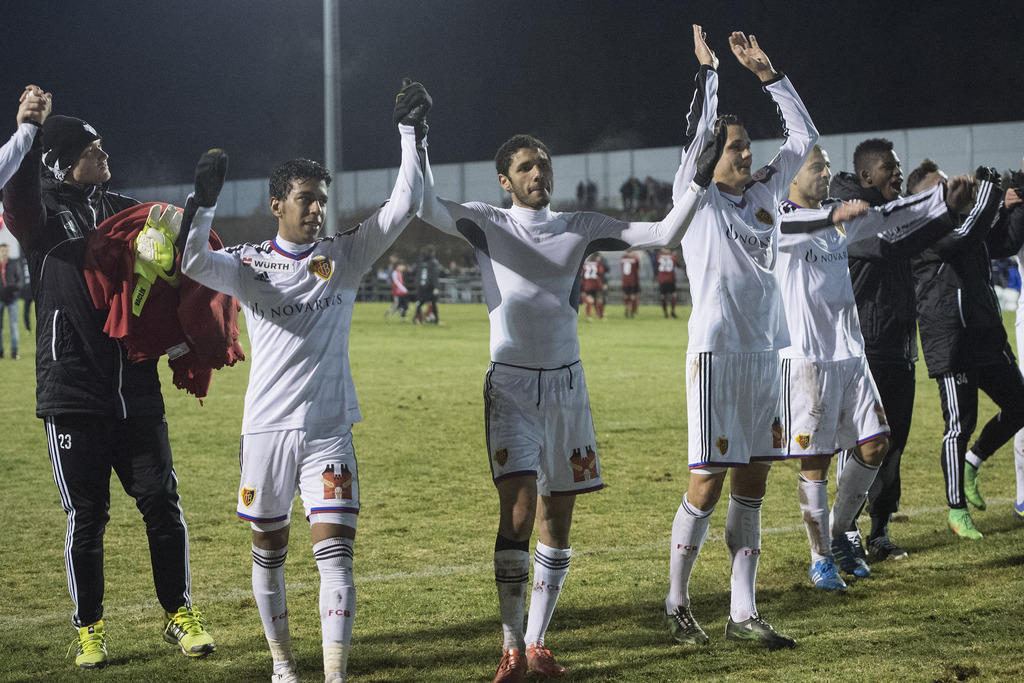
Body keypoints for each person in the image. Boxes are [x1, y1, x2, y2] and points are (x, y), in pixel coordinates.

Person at [417, 48, 721, 681]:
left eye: (543, 164)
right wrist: (414, 139)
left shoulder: (579, 225)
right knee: (519, 513)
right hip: (511, 387)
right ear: (505, 179)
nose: (538, 172)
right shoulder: (485, 223)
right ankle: (507, 647)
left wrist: (698, 179)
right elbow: (421, 204)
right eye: (527, 166)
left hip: (568, 386)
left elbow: (662, 233)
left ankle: (536, 644)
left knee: (559, 515)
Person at [180, 80, 429, 683]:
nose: (317, 208)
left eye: (321, 199)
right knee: (269, 552)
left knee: (335, 556)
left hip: (327, 432)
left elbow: (406, 202)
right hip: (266, 432)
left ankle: (335, 676)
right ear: (277, 206)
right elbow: (190, 261)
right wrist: (203, 201)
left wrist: (409, 134)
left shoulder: (344, 255)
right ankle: (284, 666)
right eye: (306, 200)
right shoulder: (248, 265)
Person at [2, 92, 215, 668]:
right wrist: (27, 132)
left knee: (162, 505)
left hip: (135, 384)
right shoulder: (39, 219)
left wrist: (202, 204)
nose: (103, 154)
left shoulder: (120, 206)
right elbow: (15, 197)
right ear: (61, 162)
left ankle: (179, 613)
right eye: (91, 150)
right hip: (72, 390)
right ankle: (90, 628)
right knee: (87, 517)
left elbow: (174, 231)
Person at [666, 26, 818, 651]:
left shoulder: (764, 195)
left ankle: (743, 611)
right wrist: (711, 78)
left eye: (748, 146)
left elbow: (805, 141)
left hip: (765, 354)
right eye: (735, 148)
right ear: (710, 155)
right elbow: (700, 137)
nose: (747, 155)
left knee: (753, 480)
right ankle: (676, 603)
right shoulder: (695, 198)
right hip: (716, 354)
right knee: (708, 480)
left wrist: (771, 77)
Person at [777, 146, 966, 586]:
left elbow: (890, 216)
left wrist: (940, 201)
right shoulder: (781, 218)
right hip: (810, 358)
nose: (825, 172)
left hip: (852, 351)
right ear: (792, 176)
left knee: (876, 445)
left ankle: (841, 529)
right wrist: (837, 216)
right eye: (816, 166)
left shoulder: (835, 216)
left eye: (826, 165)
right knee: (816, 463)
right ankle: (820, 556)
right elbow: (801, 225)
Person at [906, 161, 1024, 538]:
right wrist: (989, 193)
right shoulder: (921, 228)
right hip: (951, 338)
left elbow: (1007, 242)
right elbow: (962, 240)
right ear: (922, 198)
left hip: (986, 335)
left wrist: (1017, 201)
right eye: (940, 185)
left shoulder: (964, 223)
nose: (950, 187)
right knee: (959, 424)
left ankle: (973, 461)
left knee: (1021, 404)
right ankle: (956, 510)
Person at [828, 138, 917, 557]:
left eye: (898, 166)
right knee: (860, 443)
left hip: (900, 347)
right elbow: (887, 244)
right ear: (866, 176)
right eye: (889, 167)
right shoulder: (856, 218)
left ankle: (879, 530)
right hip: (866, 347)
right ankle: (845, 532)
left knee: (894, 443)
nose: (897, 173)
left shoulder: (890, 214)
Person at [0, 242, 22, 357]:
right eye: (2, 250)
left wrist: (11, 287)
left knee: (13, 326)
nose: (4, 252)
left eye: (6, 250)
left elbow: (20, 282)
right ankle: (0, 352)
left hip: (12, 299)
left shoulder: (14, 264)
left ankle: (14, 352)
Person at [413, 243, 441, 324]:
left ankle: (417, 319)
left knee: (420, 303)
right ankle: (436, 320)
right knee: (433, 303)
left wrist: (418, 284)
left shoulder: (419, 261)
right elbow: (434, 275)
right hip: (430, 287)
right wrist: (436, 287)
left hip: (421, 286)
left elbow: (417, 274)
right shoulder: (433, 262)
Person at [655, 247, 681, 318]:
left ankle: (666, 313)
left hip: (662, 280)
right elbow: (678, 265)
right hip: (670, 279)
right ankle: (672, 311)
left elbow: (655, 265)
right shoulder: (672, 257)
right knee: (673, 295)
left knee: (663, 296)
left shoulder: (658, 256)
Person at [580, 251, 606, 321]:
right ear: (596, 257)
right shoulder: (598, 264)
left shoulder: (585, 264)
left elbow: (582, 275)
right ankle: (601, 316)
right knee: (599, 300)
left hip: (588, 285)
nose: (600, 258)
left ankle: (589, 316)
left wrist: (582, 286)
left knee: (590, 301)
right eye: (599, 257)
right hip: (597, 284)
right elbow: (601, 272)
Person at [620, 250, 642, 317]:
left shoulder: (623, 258)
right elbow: (639, 268)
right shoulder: (635, 259)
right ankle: (633, 311)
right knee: (633, 297)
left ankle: (628, 309)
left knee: (626, 296)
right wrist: (639, 258)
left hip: (625, 281)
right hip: (633, 281)